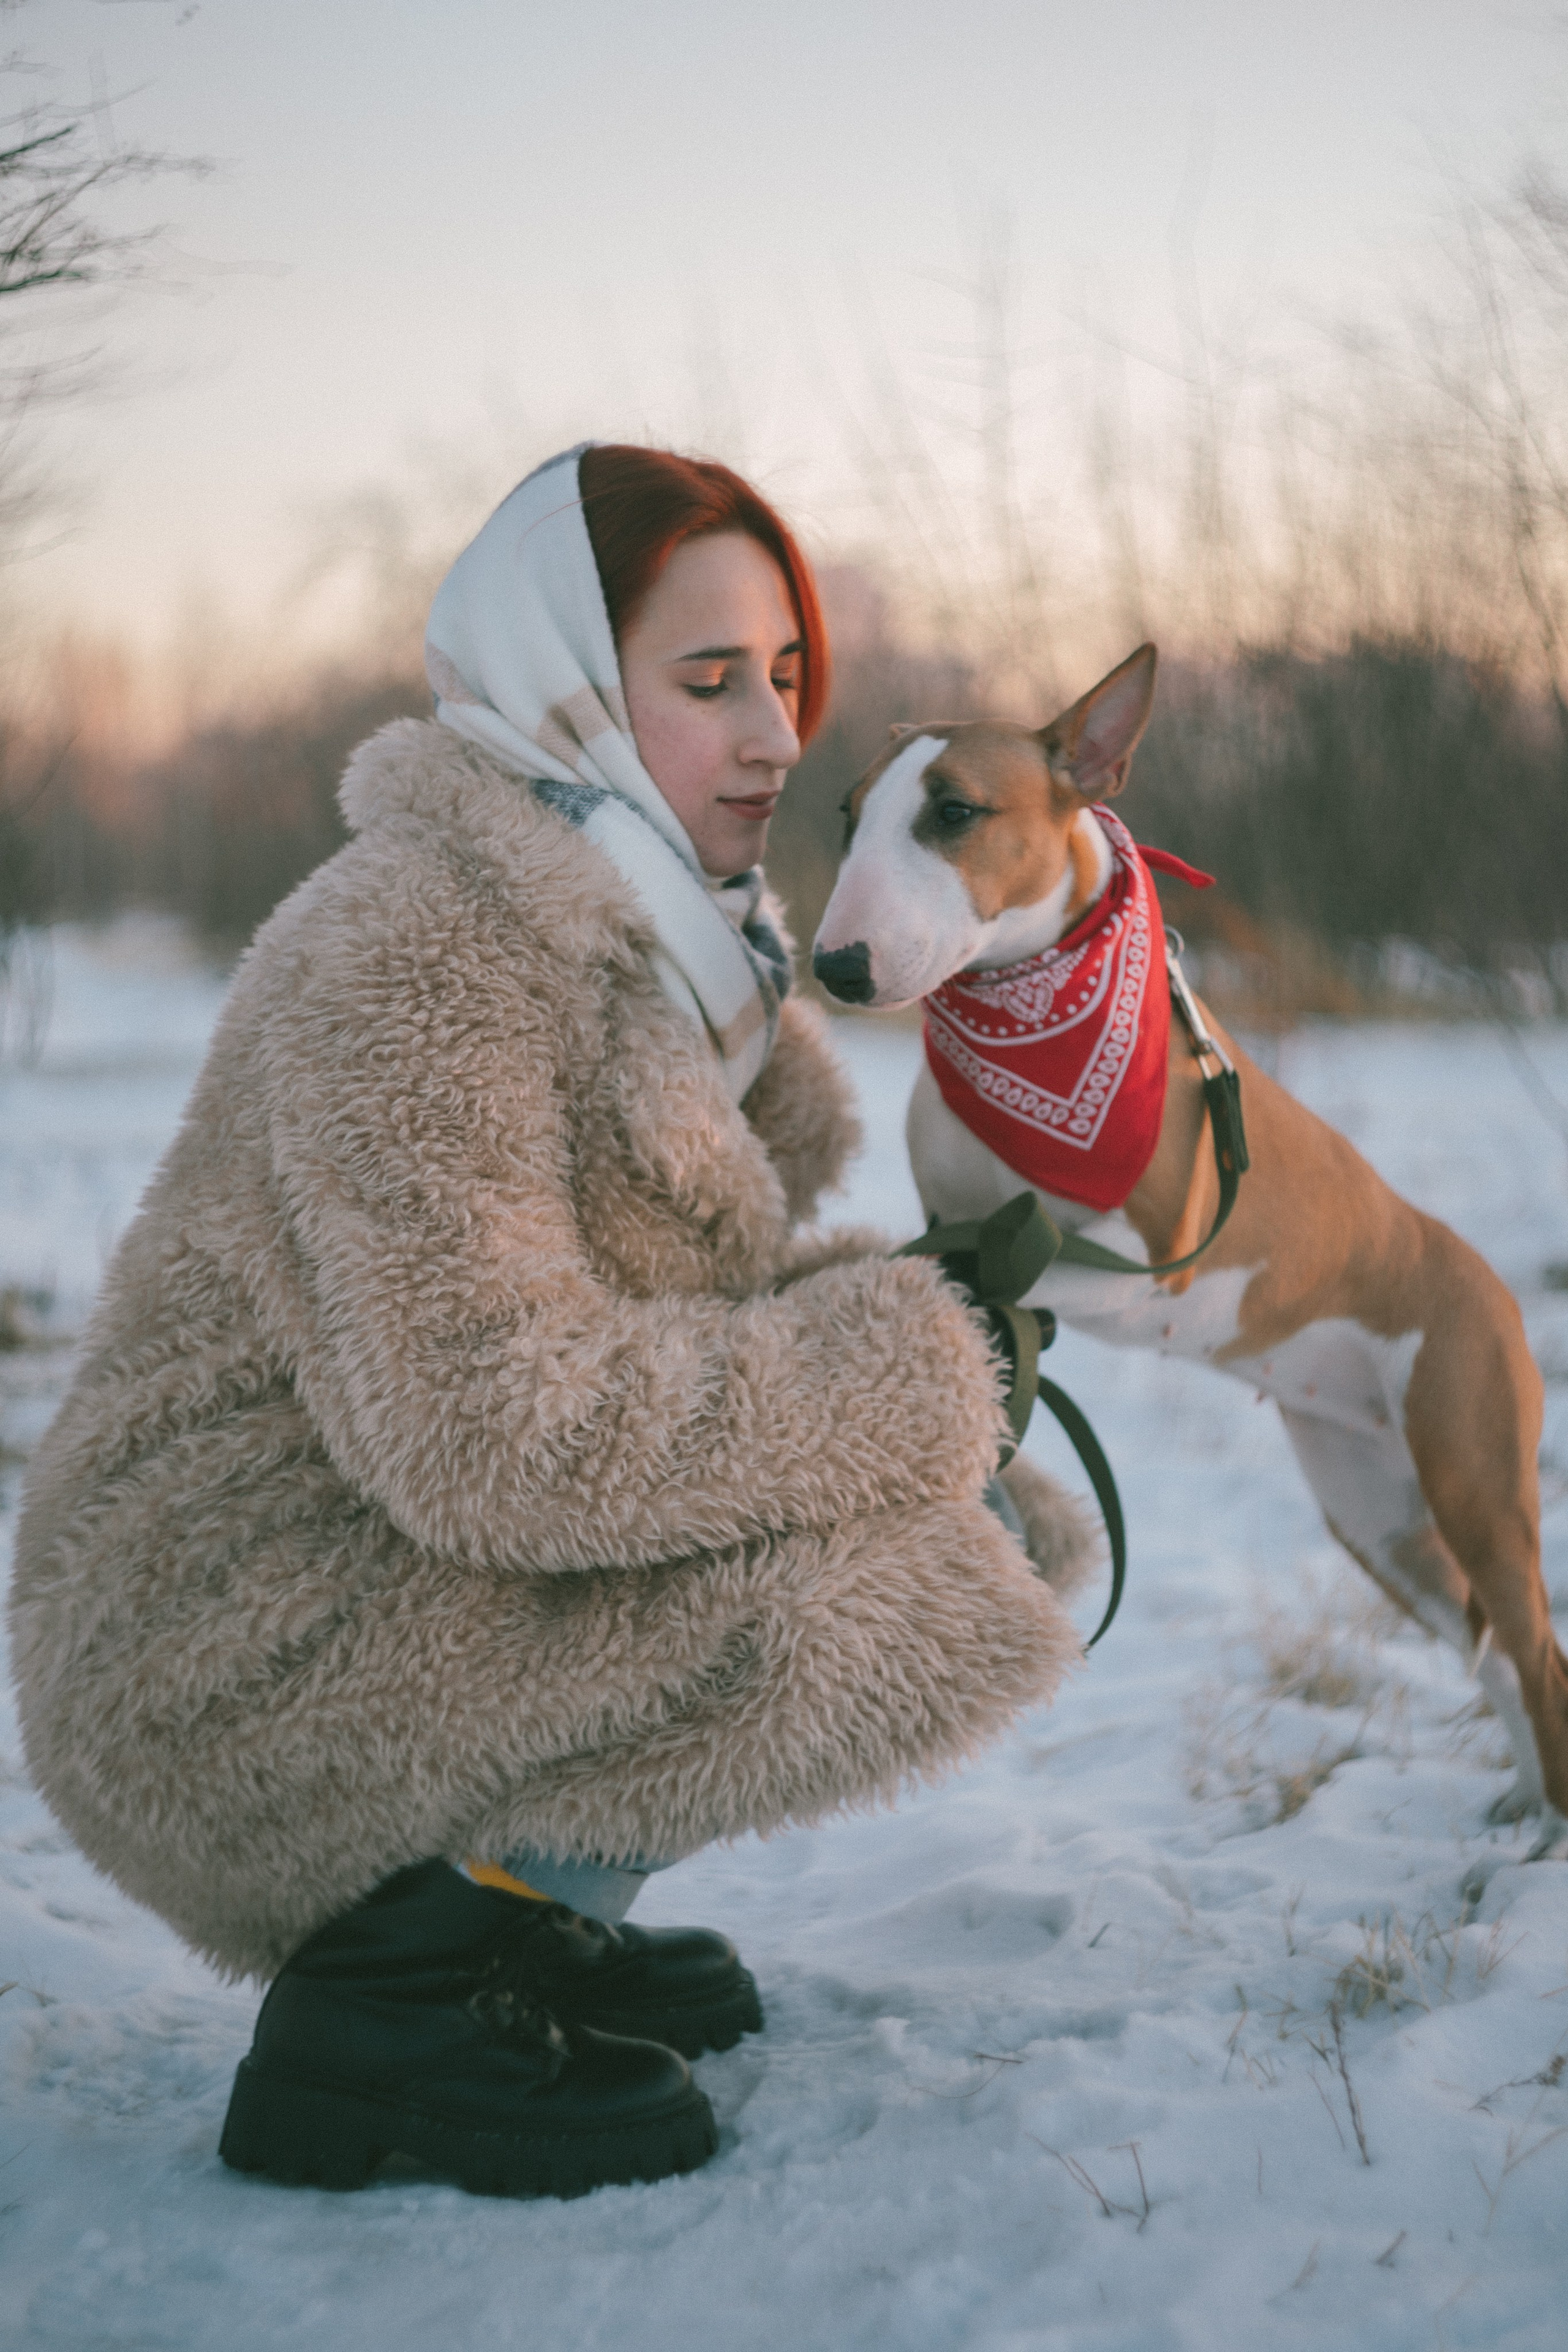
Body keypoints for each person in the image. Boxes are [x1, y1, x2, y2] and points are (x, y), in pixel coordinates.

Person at [9, 443, 1093, 2199]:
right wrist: (890, 1368)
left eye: (787, 677)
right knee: (897, 1565)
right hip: (218, 1647)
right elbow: (496, 1427)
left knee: (968, 1505)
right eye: (709, 680)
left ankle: (513, 1914)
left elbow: (624, 1332)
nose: (774, 737)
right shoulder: (416, 943)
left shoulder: (665, 953)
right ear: (563, 683)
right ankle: (388, 2005)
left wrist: (903, 1317)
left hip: (373, 1558)